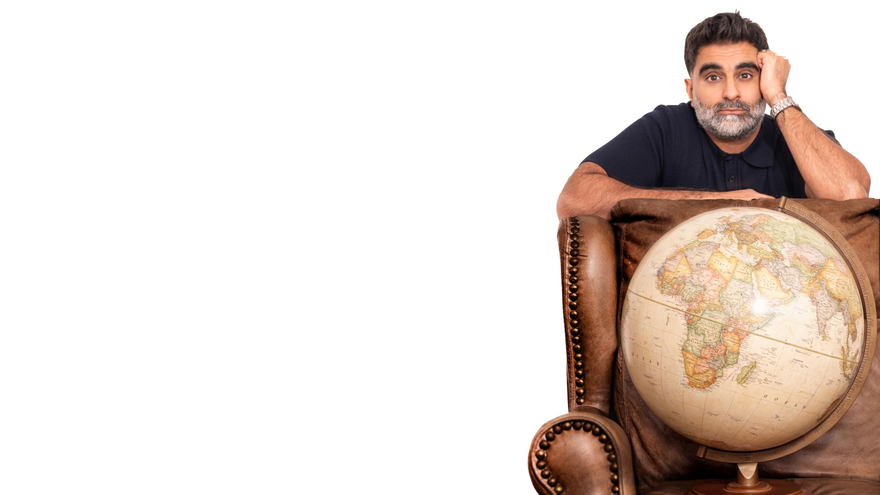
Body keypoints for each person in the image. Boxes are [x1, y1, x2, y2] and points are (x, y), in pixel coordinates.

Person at [556, 12, 871, 220]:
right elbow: (573, 200)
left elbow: (850, 197)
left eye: (746, 76)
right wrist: (718, 203)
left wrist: (779, 97)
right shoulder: (665, 129)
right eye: (714, 77)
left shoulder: (793, 134)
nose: (731, 93)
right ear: (690, 90)